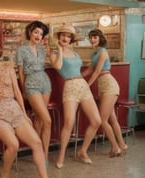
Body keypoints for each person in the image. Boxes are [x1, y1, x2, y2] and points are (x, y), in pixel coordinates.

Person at [0, 40, 60, 178]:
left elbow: (18, 93)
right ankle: (5, 173)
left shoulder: (8, 69)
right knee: (13, 145)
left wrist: (25, 115)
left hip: (14, 109)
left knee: (37, 142)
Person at [49, 25, 101, 168]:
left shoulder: (75, 52)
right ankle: (61, 155)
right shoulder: (53, 53)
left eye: (68, 36)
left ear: (71, 39)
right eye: (63, 35)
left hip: (82, 86)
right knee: (68, 123)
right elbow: (58, 67)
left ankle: (82, 151)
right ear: (59, 37)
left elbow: (78, 70)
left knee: (96, 121)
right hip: (70, 87)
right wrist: (59, 50)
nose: (65, 38)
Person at [82, 28, 127, 157]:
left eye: (95, 37)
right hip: (103, 87)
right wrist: (77, 77)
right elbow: (90, 70)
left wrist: (87, 85)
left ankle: (115, 147)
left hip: (109, 85)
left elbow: (97, 72)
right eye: (91, 37)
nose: (92, 40)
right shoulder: (94, 53)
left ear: (100, 38)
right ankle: (122, 145)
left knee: (102, 120)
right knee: (112, 119)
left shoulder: (103, 52)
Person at [16, 20, 52, 168]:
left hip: (45, 83)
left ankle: (36, 152)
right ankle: (44, 156)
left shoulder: (43, 50)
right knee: (48, 120)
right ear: (30, 32)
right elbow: (20, 72)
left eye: (41, 34)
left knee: (40, 120)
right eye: (36, 32)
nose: (38, 36)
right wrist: (23, 89)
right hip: (31, 85)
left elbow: (54, 64)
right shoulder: (22, 50)